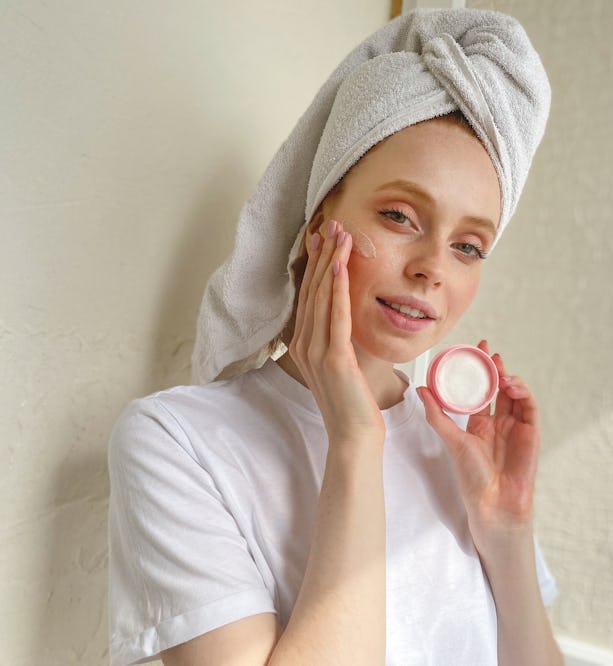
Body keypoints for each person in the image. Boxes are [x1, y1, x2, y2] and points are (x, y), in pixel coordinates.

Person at [108, 8, 562, 666]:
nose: (432, 267)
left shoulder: (459, 453)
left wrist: (507, 530)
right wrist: (354, 445)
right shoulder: (178, 445)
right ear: (321, 221)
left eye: (468, 245)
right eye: (400, 215)